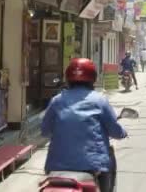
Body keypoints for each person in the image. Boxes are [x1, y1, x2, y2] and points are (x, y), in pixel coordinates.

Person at [42, 58, 127, 192]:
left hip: (55, 166)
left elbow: (45, 131)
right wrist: (123, 132)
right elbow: (115, 131)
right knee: (109, 162)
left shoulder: (56, 101)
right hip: (92, 166)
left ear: (68, 77)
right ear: (93, 78)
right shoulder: (100, 100)